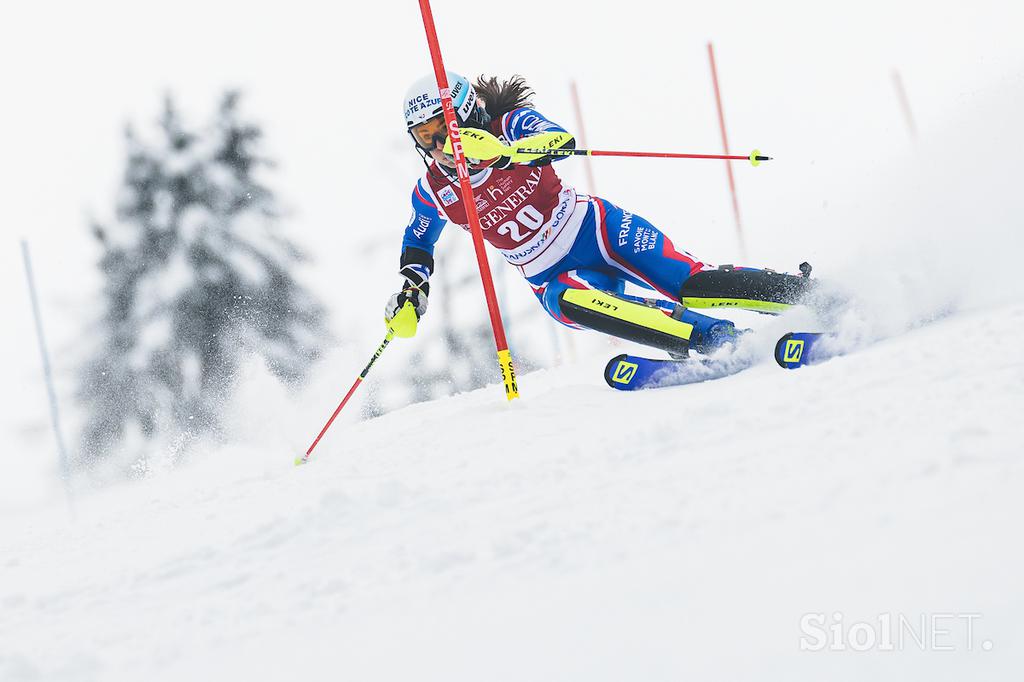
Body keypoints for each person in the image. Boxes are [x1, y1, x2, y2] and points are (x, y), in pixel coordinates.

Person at [386, 72, 816, 358]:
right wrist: (411, 291)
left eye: (442, 127)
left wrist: (502, 155)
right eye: (424, 136)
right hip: (553, 277)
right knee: (571, 302)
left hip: (600, 231)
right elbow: (419, 241)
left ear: (465, 113)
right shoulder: (435, 191)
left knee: (693, 284)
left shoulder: (511, 126)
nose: (438, 143)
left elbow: (558, 139)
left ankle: (809, 297)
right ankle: (722, 342)